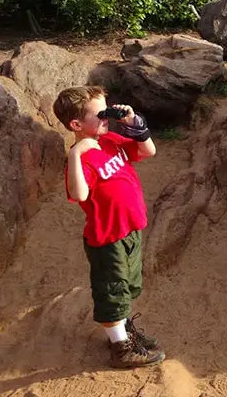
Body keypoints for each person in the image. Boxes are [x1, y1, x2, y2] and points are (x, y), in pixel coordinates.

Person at [52, 86, 165, 369]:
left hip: (130, 229)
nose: (107, 117)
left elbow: (148, 150)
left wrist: (133, 124)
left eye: (107, 110)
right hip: (107, 239)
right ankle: (121, 347)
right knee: (112, 291)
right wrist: (76, 154)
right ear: (76, 125)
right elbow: (79, 194)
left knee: (128, 285)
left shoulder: (112, 140)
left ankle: (123, 330)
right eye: (100, 114)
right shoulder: (83, 157)